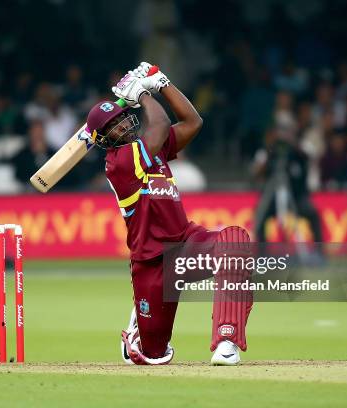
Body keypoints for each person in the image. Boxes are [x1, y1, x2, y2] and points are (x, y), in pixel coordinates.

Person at [85, 62, 253, 365]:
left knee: (235, 241)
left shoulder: (154, 148)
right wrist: (143, 96)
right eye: (114, 126)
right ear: (104, 139)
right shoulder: (119, 162)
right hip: (152, 261)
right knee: (152, 355)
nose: (123, 126)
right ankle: (138, 329)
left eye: (124, 118)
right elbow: (160, 125)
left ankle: (227, 340)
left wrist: (162, 83)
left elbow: (192, 122)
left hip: (186, 243)